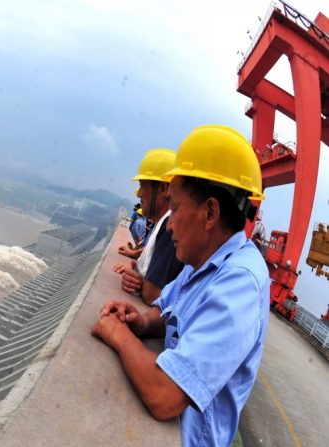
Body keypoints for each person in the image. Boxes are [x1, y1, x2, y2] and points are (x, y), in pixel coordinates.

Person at [93, 125, 270, 447]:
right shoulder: (202, 261)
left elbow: (165, 395)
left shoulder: (240, 283)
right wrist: (139, 321)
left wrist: (117, 333)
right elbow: (166, 311)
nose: (169, 224)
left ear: (210, 213)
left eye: (174, 209)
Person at [113, 148, 183, 305]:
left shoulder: (169, 226)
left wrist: (139, 282)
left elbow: (153, 294)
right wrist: (138, 267)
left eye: (143, 185)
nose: (138, 194)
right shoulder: (162, 223)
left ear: (163, 189)